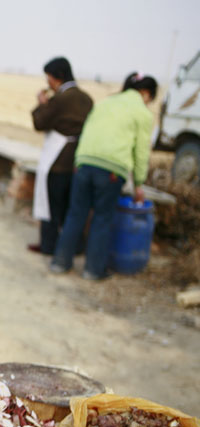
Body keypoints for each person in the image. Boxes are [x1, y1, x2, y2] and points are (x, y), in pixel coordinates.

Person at [50, 72, 158, 280]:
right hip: (110, 169)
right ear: (146, 93)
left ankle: (60, 262)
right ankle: (93, 270)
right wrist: (138, 183)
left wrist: (78, 161)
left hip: (83, 162)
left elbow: (87, 131)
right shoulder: (142, 113)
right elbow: (141, 152)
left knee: (75, 214)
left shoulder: (105, 103)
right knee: (102, 219)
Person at [29, 57, 93, 255]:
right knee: (71, 207)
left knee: (50, 205)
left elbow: (40, 123)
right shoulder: (86, 98)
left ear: (58, 77)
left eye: (49, 77)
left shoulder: (61, 99)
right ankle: (74, 246)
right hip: (77, 158)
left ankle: (49, 246)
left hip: (57, 160)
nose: (47, 82)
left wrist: (41, 103)